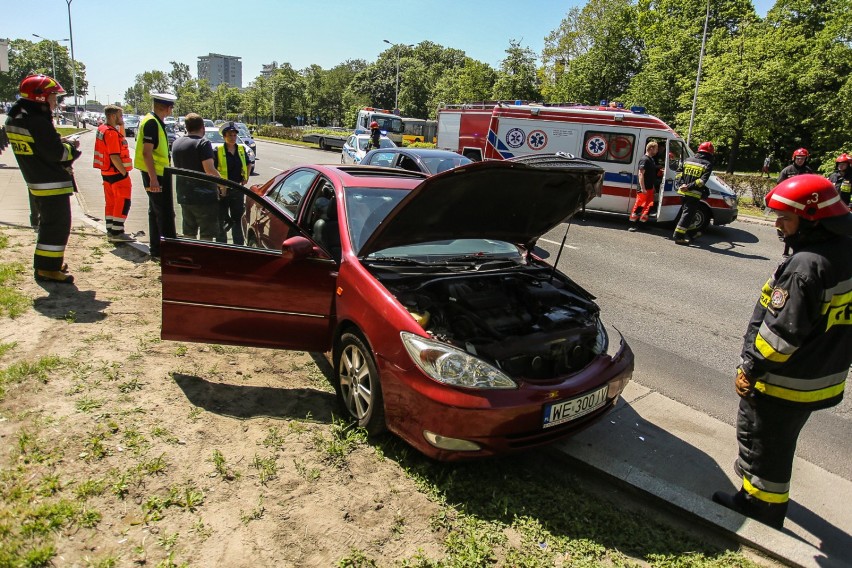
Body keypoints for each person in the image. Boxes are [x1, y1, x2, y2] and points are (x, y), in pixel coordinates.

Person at [712, 174, 852, 529]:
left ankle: (761, 507)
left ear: (812, 219)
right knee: (778, 440)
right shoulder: (845, 252)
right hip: (821, 376)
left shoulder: (806, 267)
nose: (777, 225)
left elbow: (779, 338)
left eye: (785, 218)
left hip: (783, 382)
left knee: (763, 443)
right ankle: (756, 484)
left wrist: (749, 368)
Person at [4, 74, 81, 283]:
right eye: (54, 97)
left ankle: (49, 263)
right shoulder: (37, 121)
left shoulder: (17, 117)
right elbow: (57, 153)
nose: (56, 102)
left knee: (48, 224)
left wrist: (56, 141)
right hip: (51, 183)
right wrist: (72, 148)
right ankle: (47, 269)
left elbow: (38, 146)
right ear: (40, 97)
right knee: (57, 226)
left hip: (37, 180)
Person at [134, 92, 177, 259]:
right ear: (167, 107)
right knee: (164, 213)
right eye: (171, 107)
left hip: (157, 172)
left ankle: (157, 250)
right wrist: (153, 179)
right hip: (156, 174)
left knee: (155, 212)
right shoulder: (152, 122)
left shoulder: (153, 120)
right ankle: (167, 253)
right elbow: (147, 153)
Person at [170, 113, 221, 240]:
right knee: (206, 234)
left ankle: (190, 256)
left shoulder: (176, 143)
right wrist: (223, 184)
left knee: (189, 231)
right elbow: (209, 170)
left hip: (184, 195)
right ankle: (204, 259)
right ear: (202, 127)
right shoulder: (203, 143)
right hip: (204, 197)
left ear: (186, 127)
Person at [94, 105, 134, 243]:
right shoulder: (111, 133)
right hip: (117, 173)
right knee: (123, 201)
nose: (122, 118)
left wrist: (121, 124)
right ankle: (117, 232)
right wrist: (123, 173)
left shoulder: (102, 129)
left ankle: (111, 229)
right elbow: (114, 156)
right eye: (120, 115)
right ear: (112, 116)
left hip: (106, 173)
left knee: (111, 202)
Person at [672, 141, 714, 245]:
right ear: (709, 154)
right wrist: (689, 187)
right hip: (693, 194)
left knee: (691, 214)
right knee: (687, 214)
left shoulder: (687, 160)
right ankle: (678, 236)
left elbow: (678, 173)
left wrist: (682, 184)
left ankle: (692, 233)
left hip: (682, 192)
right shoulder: (707, 164)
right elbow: (701, 181)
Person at [213, 122, 248, 244]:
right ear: (224, 136)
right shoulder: (218, 150)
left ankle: (238, 245)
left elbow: (248, 163)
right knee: (221, 219)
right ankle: (222, 244)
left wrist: (246, 177)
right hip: (222, 190)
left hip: (237, 188)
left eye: (234, 135)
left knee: (237, 219)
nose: (233, 137)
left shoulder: (241, 149)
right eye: (230, 135)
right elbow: (212, 169)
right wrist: (220, 186)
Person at [628, 140, 659, 231]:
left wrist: (652, 187)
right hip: (644, 188)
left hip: (649, 188)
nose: (657, 151)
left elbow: (651, 175)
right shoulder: (644, 159)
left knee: (648, 206)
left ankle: (642, 224)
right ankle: (632, 224)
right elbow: (641, 174)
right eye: (656, 149)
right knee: (639, 206)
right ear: (651, 148)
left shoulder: (651, 160)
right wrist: (643, 188)